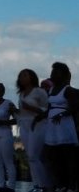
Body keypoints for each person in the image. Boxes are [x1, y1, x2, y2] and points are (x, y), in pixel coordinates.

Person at [36, 62, 79, 192]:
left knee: (68, 157)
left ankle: (71, 186)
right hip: (52, 127)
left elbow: (76, 107)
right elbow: (49, 108)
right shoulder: (51, 90)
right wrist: (39, 117)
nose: (52, 74)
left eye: (56, 72)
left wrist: (62, 114)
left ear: (63, 74)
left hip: (64, 126)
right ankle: (61, 184)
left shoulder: (68, 90)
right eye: (52, 72)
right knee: (55, 157)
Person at [14, 69, 49, 192]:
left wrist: (31, 107)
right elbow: (22, 113)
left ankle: (43, 185)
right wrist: (15, 111)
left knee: (34, 156)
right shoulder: (21, 94)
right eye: (20, 76)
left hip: (37, 124)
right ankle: (36, 185)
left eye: (25, 75)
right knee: (30, 157)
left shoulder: (39, 92)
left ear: (32, 77)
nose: (22, 78)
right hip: (23, 125)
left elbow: (46, 111)